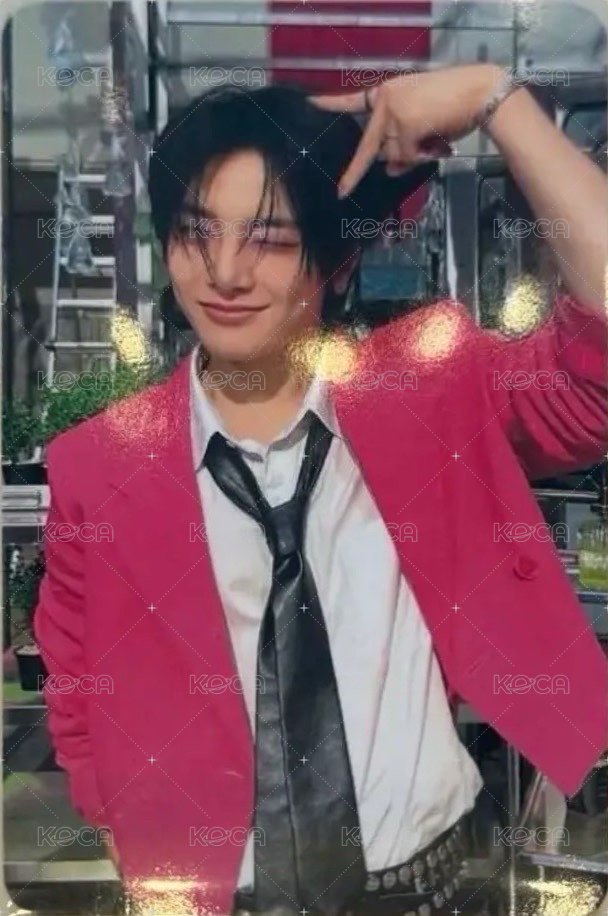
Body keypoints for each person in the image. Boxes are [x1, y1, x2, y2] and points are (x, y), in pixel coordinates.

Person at [34, 64, 608, 916]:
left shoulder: (426, 393)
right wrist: (126, 840)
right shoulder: (101, 464)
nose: (224, 272)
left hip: (433, 886)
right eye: (196, 234)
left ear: (334, 262)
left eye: (268, 239)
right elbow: (78, 685)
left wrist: (498, 100)